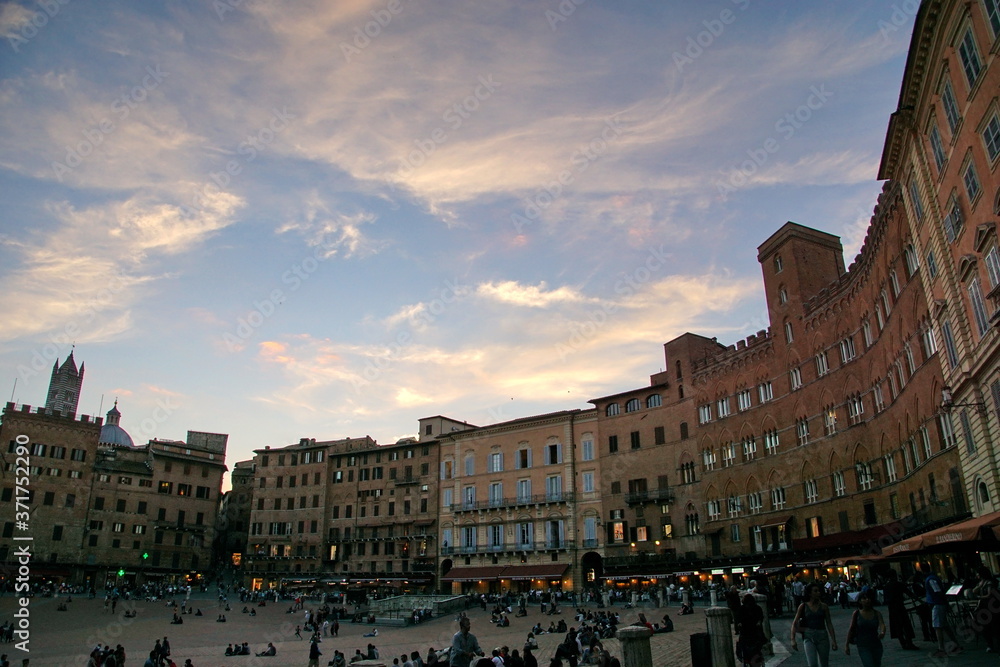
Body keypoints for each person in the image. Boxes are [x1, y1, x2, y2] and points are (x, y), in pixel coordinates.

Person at [920, 562, 962, 658]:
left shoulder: (930, 579)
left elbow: (937, 591)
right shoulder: (932, 578)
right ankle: (956, 644)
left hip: (937, 604)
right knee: (945, 626)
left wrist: (944, 602)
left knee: (937, 626)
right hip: (939, 603)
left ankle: (941, 648)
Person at [791, 583, 837, 667]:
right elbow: (795, 622)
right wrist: (793, 639)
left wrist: (833, 640)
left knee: (824, 664)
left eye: (818, 591)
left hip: (822, 636)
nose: (818, 593)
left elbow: (829, 623)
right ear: (810, 593)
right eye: (815, 591)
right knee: (812, 664)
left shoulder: (824, 607)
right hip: (809, 636)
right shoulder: (803, 606)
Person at [845, 591, 885, 667]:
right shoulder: (857, 614)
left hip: (876, 644)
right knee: (868, 664)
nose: (867, 600)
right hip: (863, 645)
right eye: (864, 598)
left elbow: (882, 624)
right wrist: (847, 644)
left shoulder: (877, 613)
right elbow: (851, 629)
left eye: (868, 598)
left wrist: (882, 632)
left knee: (877, 664)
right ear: (860, 601)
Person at [882, 570, 917, 650]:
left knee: (897, 626)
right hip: (900, 607)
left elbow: (885, 599)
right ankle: (909, 643)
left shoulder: (886, 586)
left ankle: (903, 643)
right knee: (905, 625)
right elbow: (909, 593)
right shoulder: (899, 584)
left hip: (892, 608)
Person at [736, 594, 766, 667]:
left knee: (749, 649)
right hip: (752, 631)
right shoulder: (756, 608)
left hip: (748, 631)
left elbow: (738, 619)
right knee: (755, 648)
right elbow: (760, 618)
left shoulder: (742, 608)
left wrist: (739, 624)